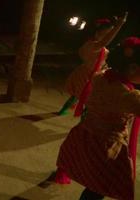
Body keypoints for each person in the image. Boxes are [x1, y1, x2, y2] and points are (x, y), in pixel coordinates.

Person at [56, 37, 140, 200]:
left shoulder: (101, 77)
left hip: (85, 136)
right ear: (133, 68)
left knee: (92, 185)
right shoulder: (127, 96)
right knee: (98, 188)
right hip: (105, 146)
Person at [58, 12, 128, 117]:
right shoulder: (92, 45)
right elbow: (104, 42)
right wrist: (119, 25)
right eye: (105, 35)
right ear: (96, 33)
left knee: (83, 99)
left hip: (94, 76)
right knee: (84, 99)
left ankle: (67, 112)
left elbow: (102, 59)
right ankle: (75, 117)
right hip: (86, 76)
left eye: (109, 34)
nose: (107, 37)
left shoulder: (100, 47)